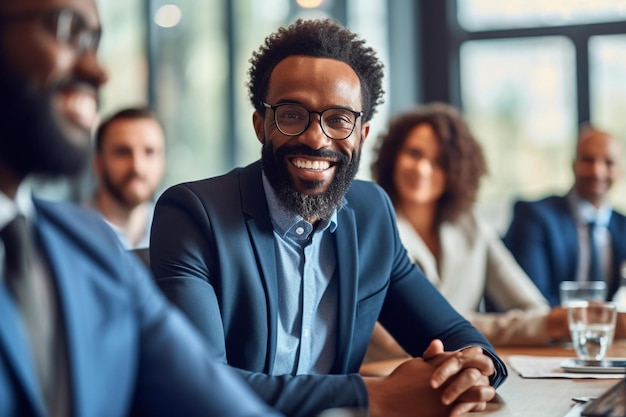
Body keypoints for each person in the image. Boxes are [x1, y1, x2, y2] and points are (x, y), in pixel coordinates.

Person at [150, 18, 507, 417]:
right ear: (260, 124)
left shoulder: (372, 212)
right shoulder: (193, 214)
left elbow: (458, 337)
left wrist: (477, 370)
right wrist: (374, 396)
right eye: (291, 114)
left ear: (362, 135)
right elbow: (198, 384)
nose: (316, 138)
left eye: (338, 119)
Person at [0, 1, 285, 416]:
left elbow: (211, 398)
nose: (98, 71)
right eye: (65, 30)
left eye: (96, 41)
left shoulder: (88, 244)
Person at [366, 103, 571, 355]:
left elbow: (535, 311)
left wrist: (542, 325)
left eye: (439, 161)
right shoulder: (370, 227)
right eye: (414, 153)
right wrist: (468, 332)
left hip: (465, 372)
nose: (422, 168)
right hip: (388, 375)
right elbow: (392, 341)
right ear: (393, 156)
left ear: (457, 170)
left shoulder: (471, 224)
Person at [504, 124, 626, 307]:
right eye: (588, 160)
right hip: (549, 332)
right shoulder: (534, 217)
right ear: (573, 164)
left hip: (609, 334)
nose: (597, 171)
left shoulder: (622, 226)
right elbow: (532, 301)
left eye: (608, 163)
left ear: (620, 170)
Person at [86, 107, 165, 249]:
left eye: (149, 152)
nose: (137, 167)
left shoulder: (174, 233)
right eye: (122, 152)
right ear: (98, 163)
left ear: (163, 162)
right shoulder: (69, 234)